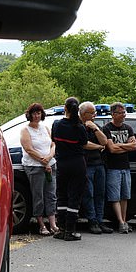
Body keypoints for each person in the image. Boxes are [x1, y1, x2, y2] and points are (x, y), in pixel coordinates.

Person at [51, 97, 89, 241]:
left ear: (65, 108)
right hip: (78, 163)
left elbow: (53, 140)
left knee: (62, 195)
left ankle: (61, 229)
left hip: (62, 163)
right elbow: (84, 143)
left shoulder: (57, 125)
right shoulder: (79, 127)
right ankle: (70, 231)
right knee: (75, 196)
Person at [20, 103, 59, 236]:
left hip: (50, 164)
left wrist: (49, 157)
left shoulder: (45, 128)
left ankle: (53, 224)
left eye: (39, 113)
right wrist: (43, 160)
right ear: (29, 115)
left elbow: (53, 144)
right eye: (34, 113)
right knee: (38, 196)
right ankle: (41, 224)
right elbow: (29, 149)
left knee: (51, 195)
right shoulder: (25, 130)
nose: (37, 116)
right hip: (34, 166)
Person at [102, 102, 136, 234]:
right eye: (121, 113)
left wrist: (119, 146)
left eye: (124, 113)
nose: (124, 115)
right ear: (113, 114)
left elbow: (134, 147)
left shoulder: (128, 128)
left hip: (126, 167)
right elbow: (111, 149)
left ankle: (123, 220)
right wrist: (126, 146)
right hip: (112, 167)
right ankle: (121, 222)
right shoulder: (106, 128)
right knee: (114, 196)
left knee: (125, 196)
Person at [79, 101, 113, 234]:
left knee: (100, 194)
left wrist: (95, 129)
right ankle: (92, 221)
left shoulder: (96, 126)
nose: (94, 115)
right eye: (92, 113)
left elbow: (105, 141)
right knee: (89, 194)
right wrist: (99, 147)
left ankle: (100, 220)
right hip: (86, 165)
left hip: (100, 165)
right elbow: (84, 144)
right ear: (83, 114)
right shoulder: (79, 126)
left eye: (95, 113)